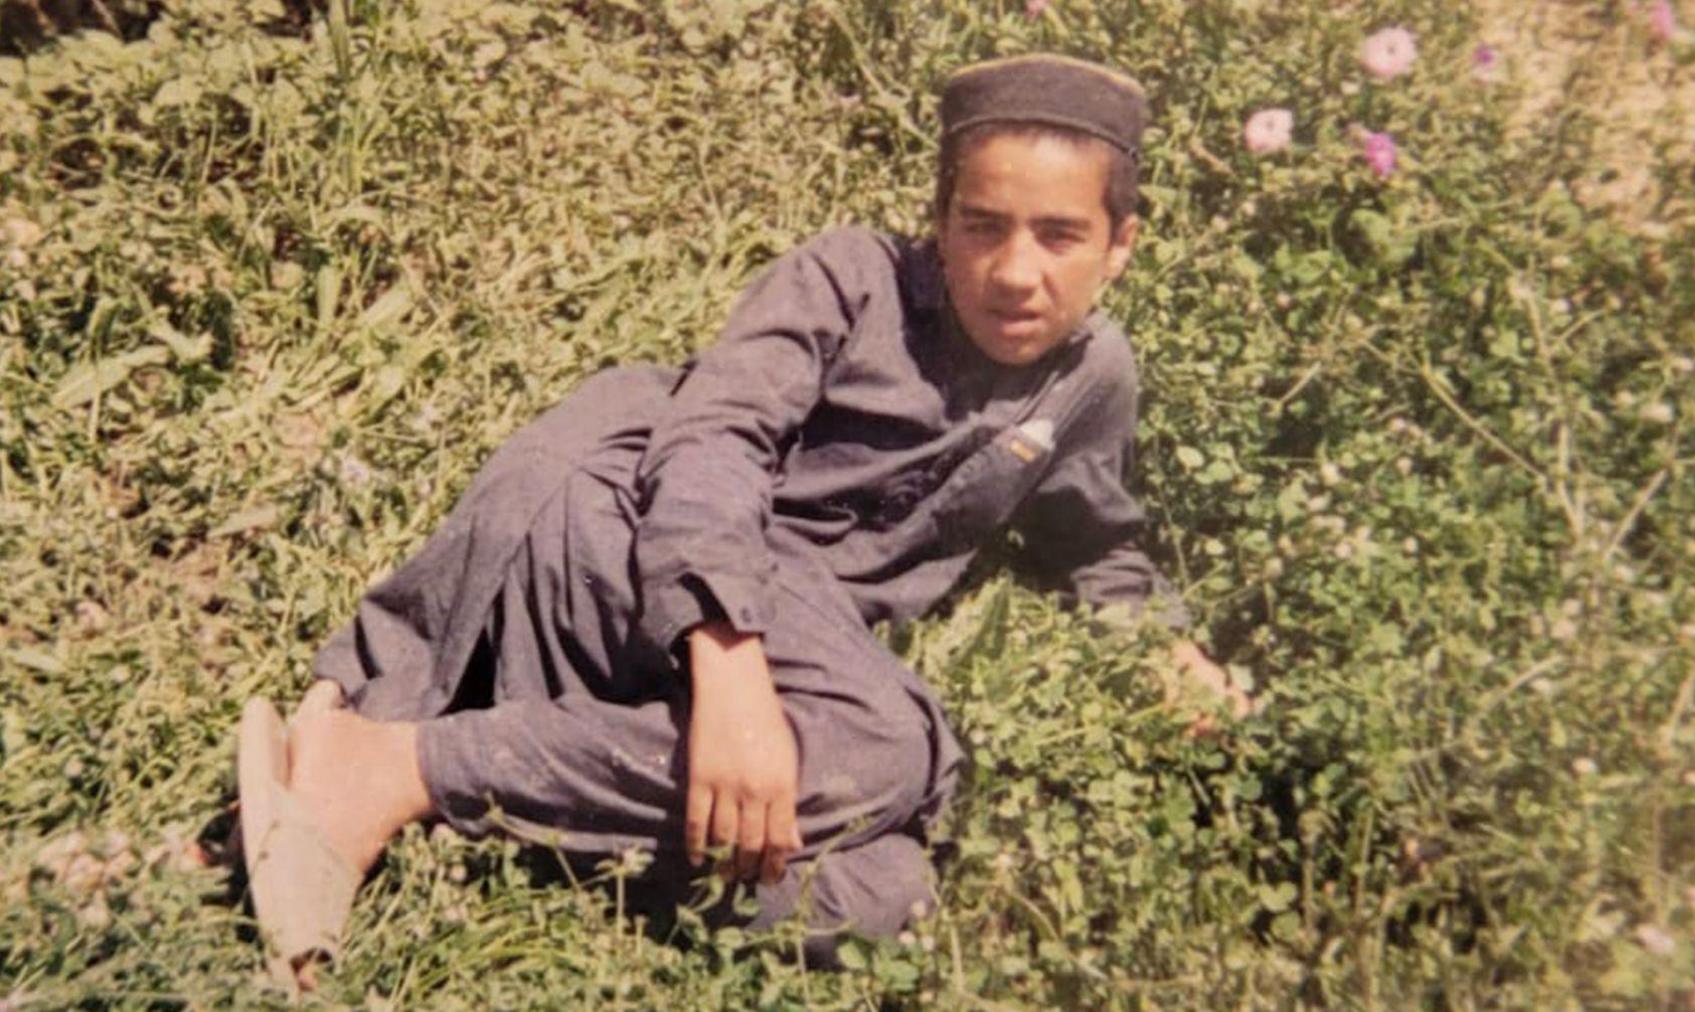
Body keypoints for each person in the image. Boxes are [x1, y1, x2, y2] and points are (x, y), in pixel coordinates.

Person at [235, 53, 1250, 990]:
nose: (1018, 271)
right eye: (983, 226)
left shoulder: (1091, 377)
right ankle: (404, 768)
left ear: (1120, 247)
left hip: (791, 648)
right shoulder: (851, 279)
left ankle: (482, 796)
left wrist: (1162, 642)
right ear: (941, 222)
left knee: (882, 900)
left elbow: (1092, 541)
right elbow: (711, 442)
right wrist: (728, 659)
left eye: (1061, 236)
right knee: (886, 746)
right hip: (629, 534)